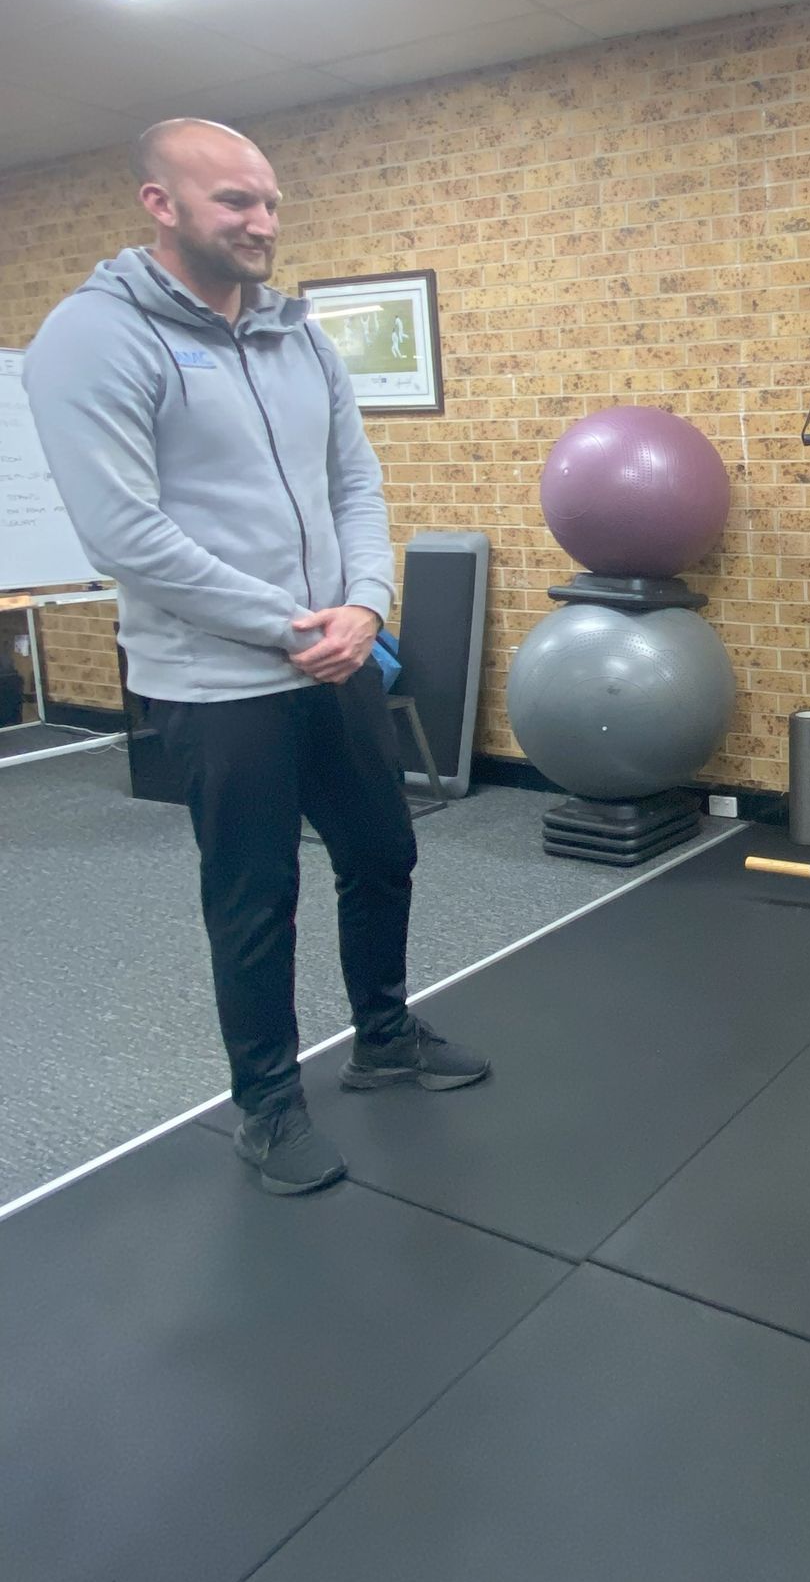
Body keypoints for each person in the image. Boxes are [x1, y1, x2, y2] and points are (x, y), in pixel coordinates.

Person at [24, 118, 489, 1197]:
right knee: (255, 894)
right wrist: (294, 629)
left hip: (334, 657)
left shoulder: (297, 335)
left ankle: (383, 1038)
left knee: (383, 853)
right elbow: (123, 534)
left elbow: (355, 484)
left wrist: (366, 606)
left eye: (270, 201)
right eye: (234, 201)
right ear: (160, 203)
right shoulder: (94, 337)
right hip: (217, 682)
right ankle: (268, 1106)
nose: (261, 222)